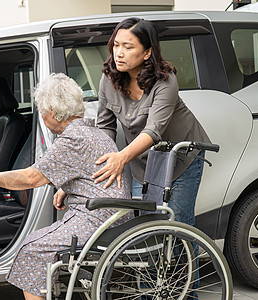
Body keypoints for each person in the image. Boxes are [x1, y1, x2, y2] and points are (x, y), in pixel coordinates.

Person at [0, 73, 131, 300]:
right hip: (107, 215)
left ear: (52, 112)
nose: (43, 118)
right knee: (35, 243)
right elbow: (86, 171)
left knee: (31, 250)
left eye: (42, 113)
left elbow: (31, 178)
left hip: (98, 219)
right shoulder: (91, 132)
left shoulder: (73, 138)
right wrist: (66, 186)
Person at [90, 17, 211, 228]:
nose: (119, 53)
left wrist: (121, 158)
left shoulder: (165, 80)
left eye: (128, 47)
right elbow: (105, 128)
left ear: (147, 53)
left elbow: (153, 130)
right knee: (147, 226)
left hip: (181, 157)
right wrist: (91, 168)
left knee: (178, 224)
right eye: (116, 45)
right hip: (142, 163)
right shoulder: (108, 79)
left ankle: (187, 262)